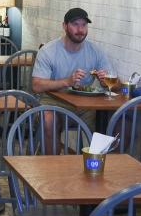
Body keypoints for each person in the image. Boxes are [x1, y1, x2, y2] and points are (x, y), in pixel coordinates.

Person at [31, 8, 112, 143]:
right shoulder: (48, 51)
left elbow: (115, 84)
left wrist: (105, 81)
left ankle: (97, 156)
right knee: (49, 121)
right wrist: (67, 82)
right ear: (65, 26)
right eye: (75, 25)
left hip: (85, 105)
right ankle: (51, 158)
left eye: (84, 25)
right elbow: (36, 86)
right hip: (52, 102)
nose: (80, 29)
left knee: (110, 124)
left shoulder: (95, 51)